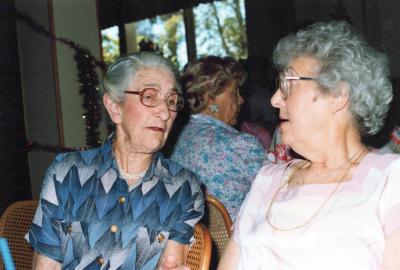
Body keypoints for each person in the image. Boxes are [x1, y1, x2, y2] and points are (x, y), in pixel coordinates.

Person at [219, 21, 400, 270]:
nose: (274, 99)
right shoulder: (268, 179)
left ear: (337, 95)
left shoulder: (389, 181)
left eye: (288, 84)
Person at [27, 52, 204, 270]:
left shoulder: (183, 187)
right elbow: (46, 266)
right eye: (149, 97)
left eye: (171, 101)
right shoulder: (68, 173)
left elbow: (171, 264)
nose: (165, 113)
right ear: (114, 108)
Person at [170, 56, 266, 221]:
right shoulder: (241, 145)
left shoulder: (177, 139)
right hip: (239, 242)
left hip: (194, 242)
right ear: (210, 99)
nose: (241, 100)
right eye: (235, 92)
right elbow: (280, 194)